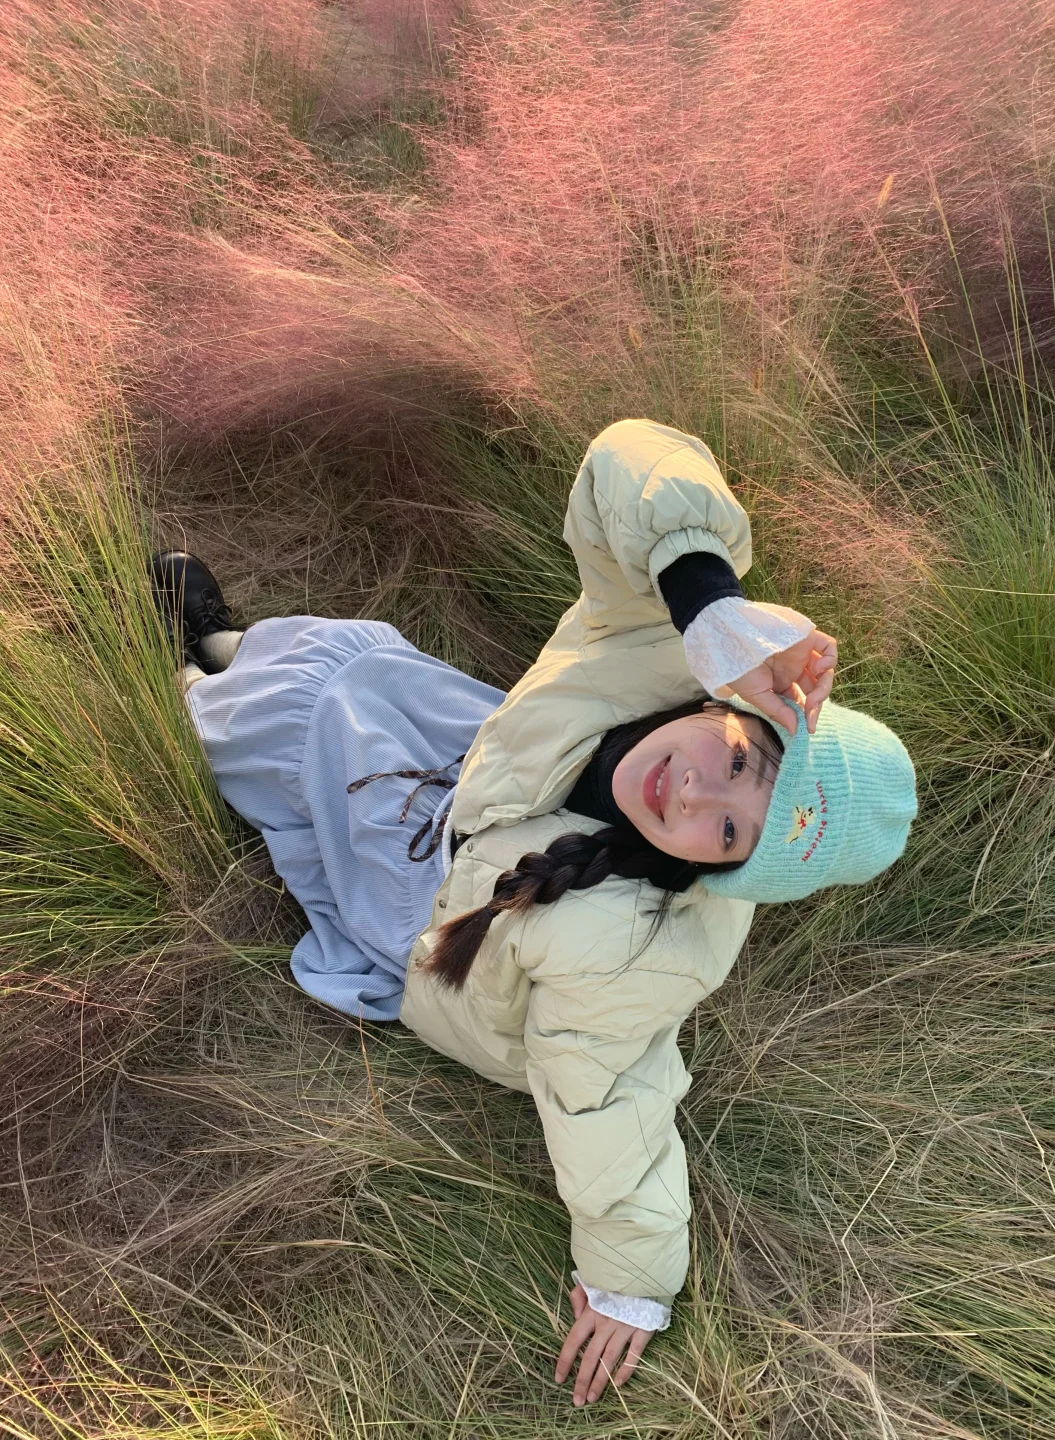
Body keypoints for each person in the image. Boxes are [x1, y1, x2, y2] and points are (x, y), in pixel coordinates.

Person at [152, 418, 917, 1407]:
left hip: (447, 914)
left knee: (291, 753)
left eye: (730, 833)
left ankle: (188, 682)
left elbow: (611, 1102)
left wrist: (633, 1281)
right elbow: (626, 461)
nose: (695, 796)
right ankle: (229, 644)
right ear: (735, 704)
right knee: (357, 676)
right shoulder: (667, 656)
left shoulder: (631, 950)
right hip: (488, 781)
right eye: (739, 763)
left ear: (727, 874)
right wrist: (707, 600)